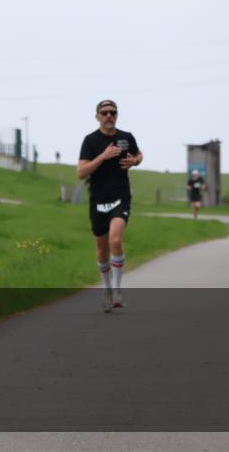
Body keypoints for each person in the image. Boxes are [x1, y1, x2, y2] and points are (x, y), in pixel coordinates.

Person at [77, 99, 143, 313]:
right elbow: (81, 172)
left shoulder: (126, 137)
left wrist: (134, 161)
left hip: (120, 197)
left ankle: (116, 289)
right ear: (97, 116)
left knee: (116, 238)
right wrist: (103, 156)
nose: (108, 116)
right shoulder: (90, 141)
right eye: (104, 113)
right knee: (101, 248)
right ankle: (106, 289)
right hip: (98, 200)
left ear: (116, 115)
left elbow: (139, 154)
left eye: (112, 112)